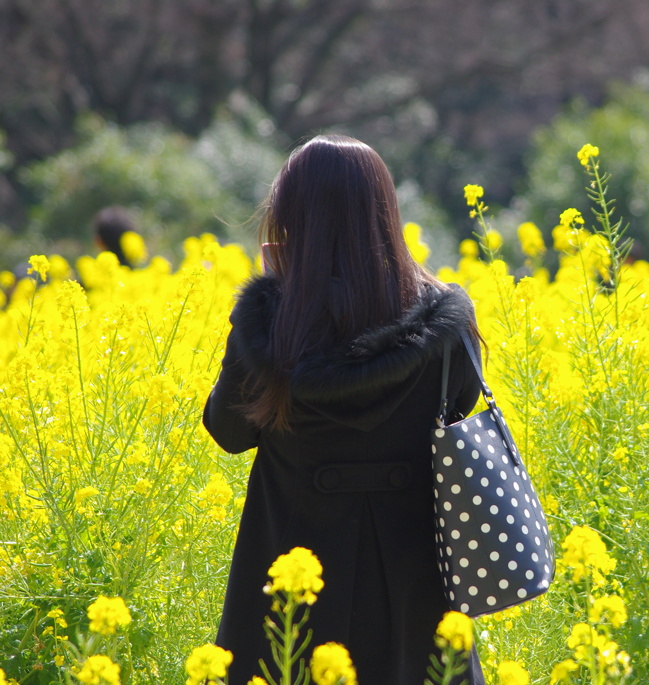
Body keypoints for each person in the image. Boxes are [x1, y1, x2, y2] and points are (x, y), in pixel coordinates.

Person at [203, 135, 486, 684]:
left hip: (291, 574)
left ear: (289, 220)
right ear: (385, 215)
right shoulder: (444, 321)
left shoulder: (271, 326)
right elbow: (460, 409)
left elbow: (229, 431)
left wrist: (274, 292)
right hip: (413, 582)